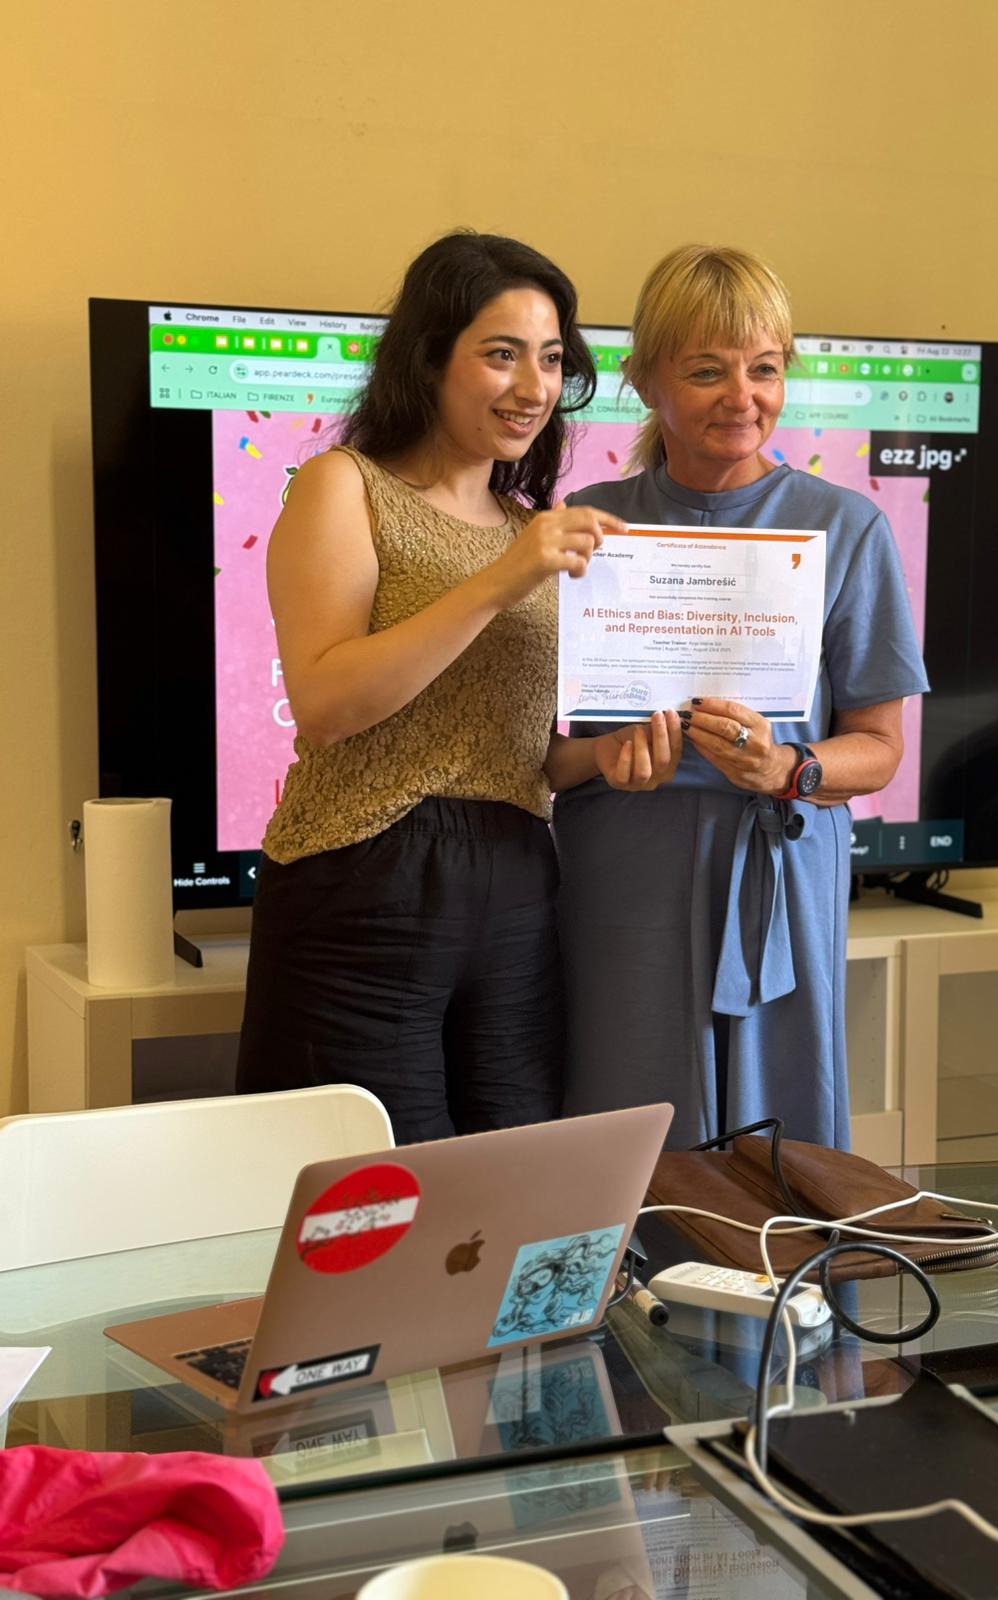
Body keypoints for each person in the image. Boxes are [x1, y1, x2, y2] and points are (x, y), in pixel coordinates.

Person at [236, 231, 681, 1142]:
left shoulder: (524, 528)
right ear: (430, 356)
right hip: (362, 882)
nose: (534, 387)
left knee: (514, 1182)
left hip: (517, 883)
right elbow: (325, 703)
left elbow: (516, 751)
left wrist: (601, 756)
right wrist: (500, 581)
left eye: (551, 359)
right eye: (502, 353)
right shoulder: (343, 486)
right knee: (379, 1195)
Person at [555, 244, 929, 1150]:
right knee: (625, 1124)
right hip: (623, 864)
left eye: (764, 369)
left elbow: (880, 747)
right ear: (646, 380)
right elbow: (531, 754)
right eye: (707, 371)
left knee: (780, 1143)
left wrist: (787, 768)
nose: (742, 397)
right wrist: (601, 756)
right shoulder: (584, 525)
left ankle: (776, 1258)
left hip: (779, 861)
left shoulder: (848, 526)